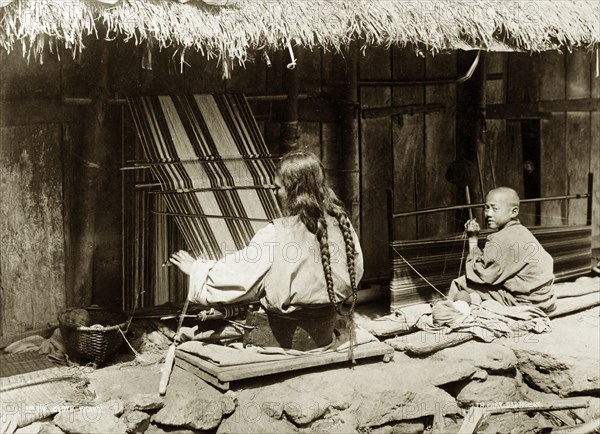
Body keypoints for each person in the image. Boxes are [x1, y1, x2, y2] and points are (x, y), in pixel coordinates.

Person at [169, 150, 364, 350]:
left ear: (293, 191)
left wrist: (197, 268)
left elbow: (236, 276)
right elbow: (354, 272)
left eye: (277, 187)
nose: (274, 192)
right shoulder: (341, 224)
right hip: (325, 334)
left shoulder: (275, 234)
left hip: (286, 341)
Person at [448, 187, 556, 317]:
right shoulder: (522, 231)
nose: (488, 214)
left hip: (527, 303)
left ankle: (451, 316)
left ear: (514, 212)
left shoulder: (501, 238)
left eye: (495, 208)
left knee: (461, 283)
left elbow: (479, 274)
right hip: (545, 300)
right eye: (486, 207)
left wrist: (472, 238)